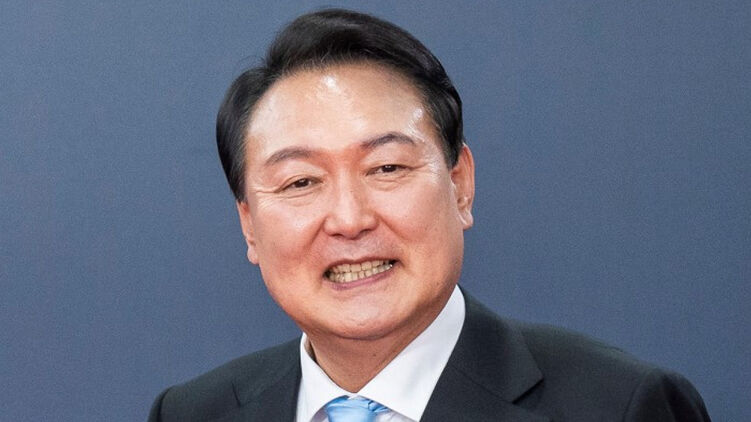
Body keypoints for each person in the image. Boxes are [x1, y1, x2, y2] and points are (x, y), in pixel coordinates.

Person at [149, 8, 711, 422]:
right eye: (301, 182)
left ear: (460, 186)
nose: (349, 219)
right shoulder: (191, 413)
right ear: (249, 225)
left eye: (386, 168)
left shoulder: (620, 405)